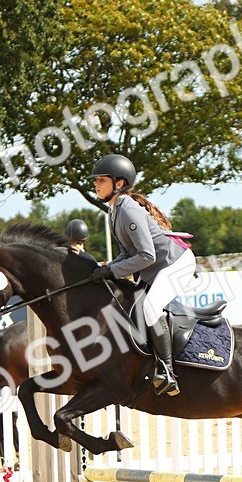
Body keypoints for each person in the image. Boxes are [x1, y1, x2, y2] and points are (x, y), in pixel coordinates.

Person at [87, 154, 195, 396]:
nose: (96, 184)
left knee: (150, 307)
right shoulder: (114, 210)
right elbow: (128, 253)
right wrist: (105, 268)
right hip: (157, 265)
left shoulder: (128, 209)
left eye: (101, 180)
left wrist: (113, 270)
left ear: (119, 183)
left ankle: (167, 371)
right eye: (96, 180)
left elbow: (146, 255)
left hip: (175, 263)